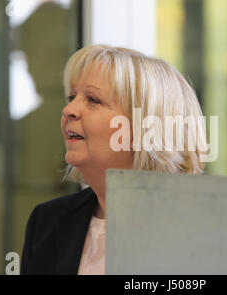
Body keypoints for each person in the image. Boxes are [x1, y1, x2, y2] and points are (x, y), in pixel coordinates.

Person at [20, 44, 207, 275]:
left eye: (93, 100)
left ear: (146, 128)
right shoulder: (47, 222)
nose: (69, 109)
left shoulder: (204, 231)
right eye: (72, 96)